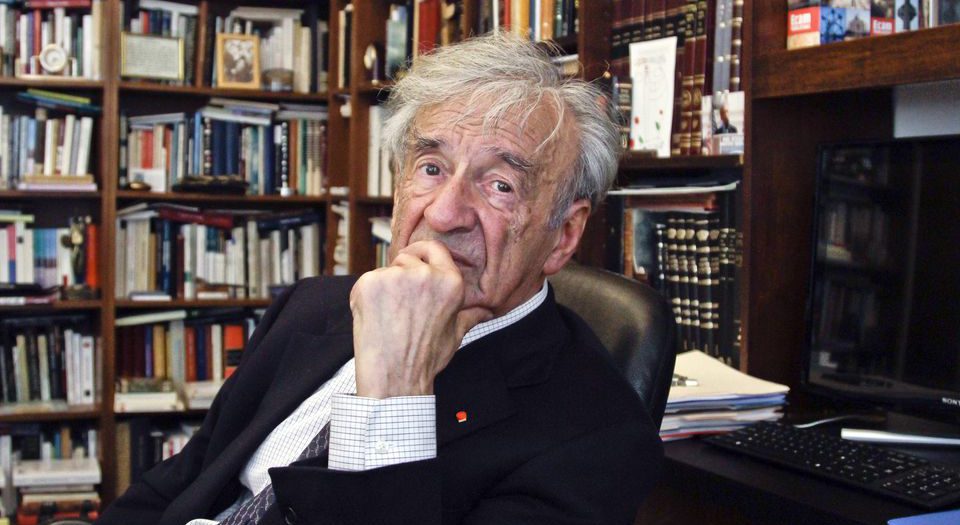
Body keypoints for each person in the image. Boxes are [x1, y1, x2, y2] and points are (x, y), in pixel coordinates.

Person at [98, 31, 663, 525]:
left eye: (500, 186)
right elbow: (183, 482)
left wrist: (395, 392)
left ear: (563, 235)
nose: (443, 214)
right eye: (431, 168)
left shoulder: (598, 439)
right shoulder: (314, 305)